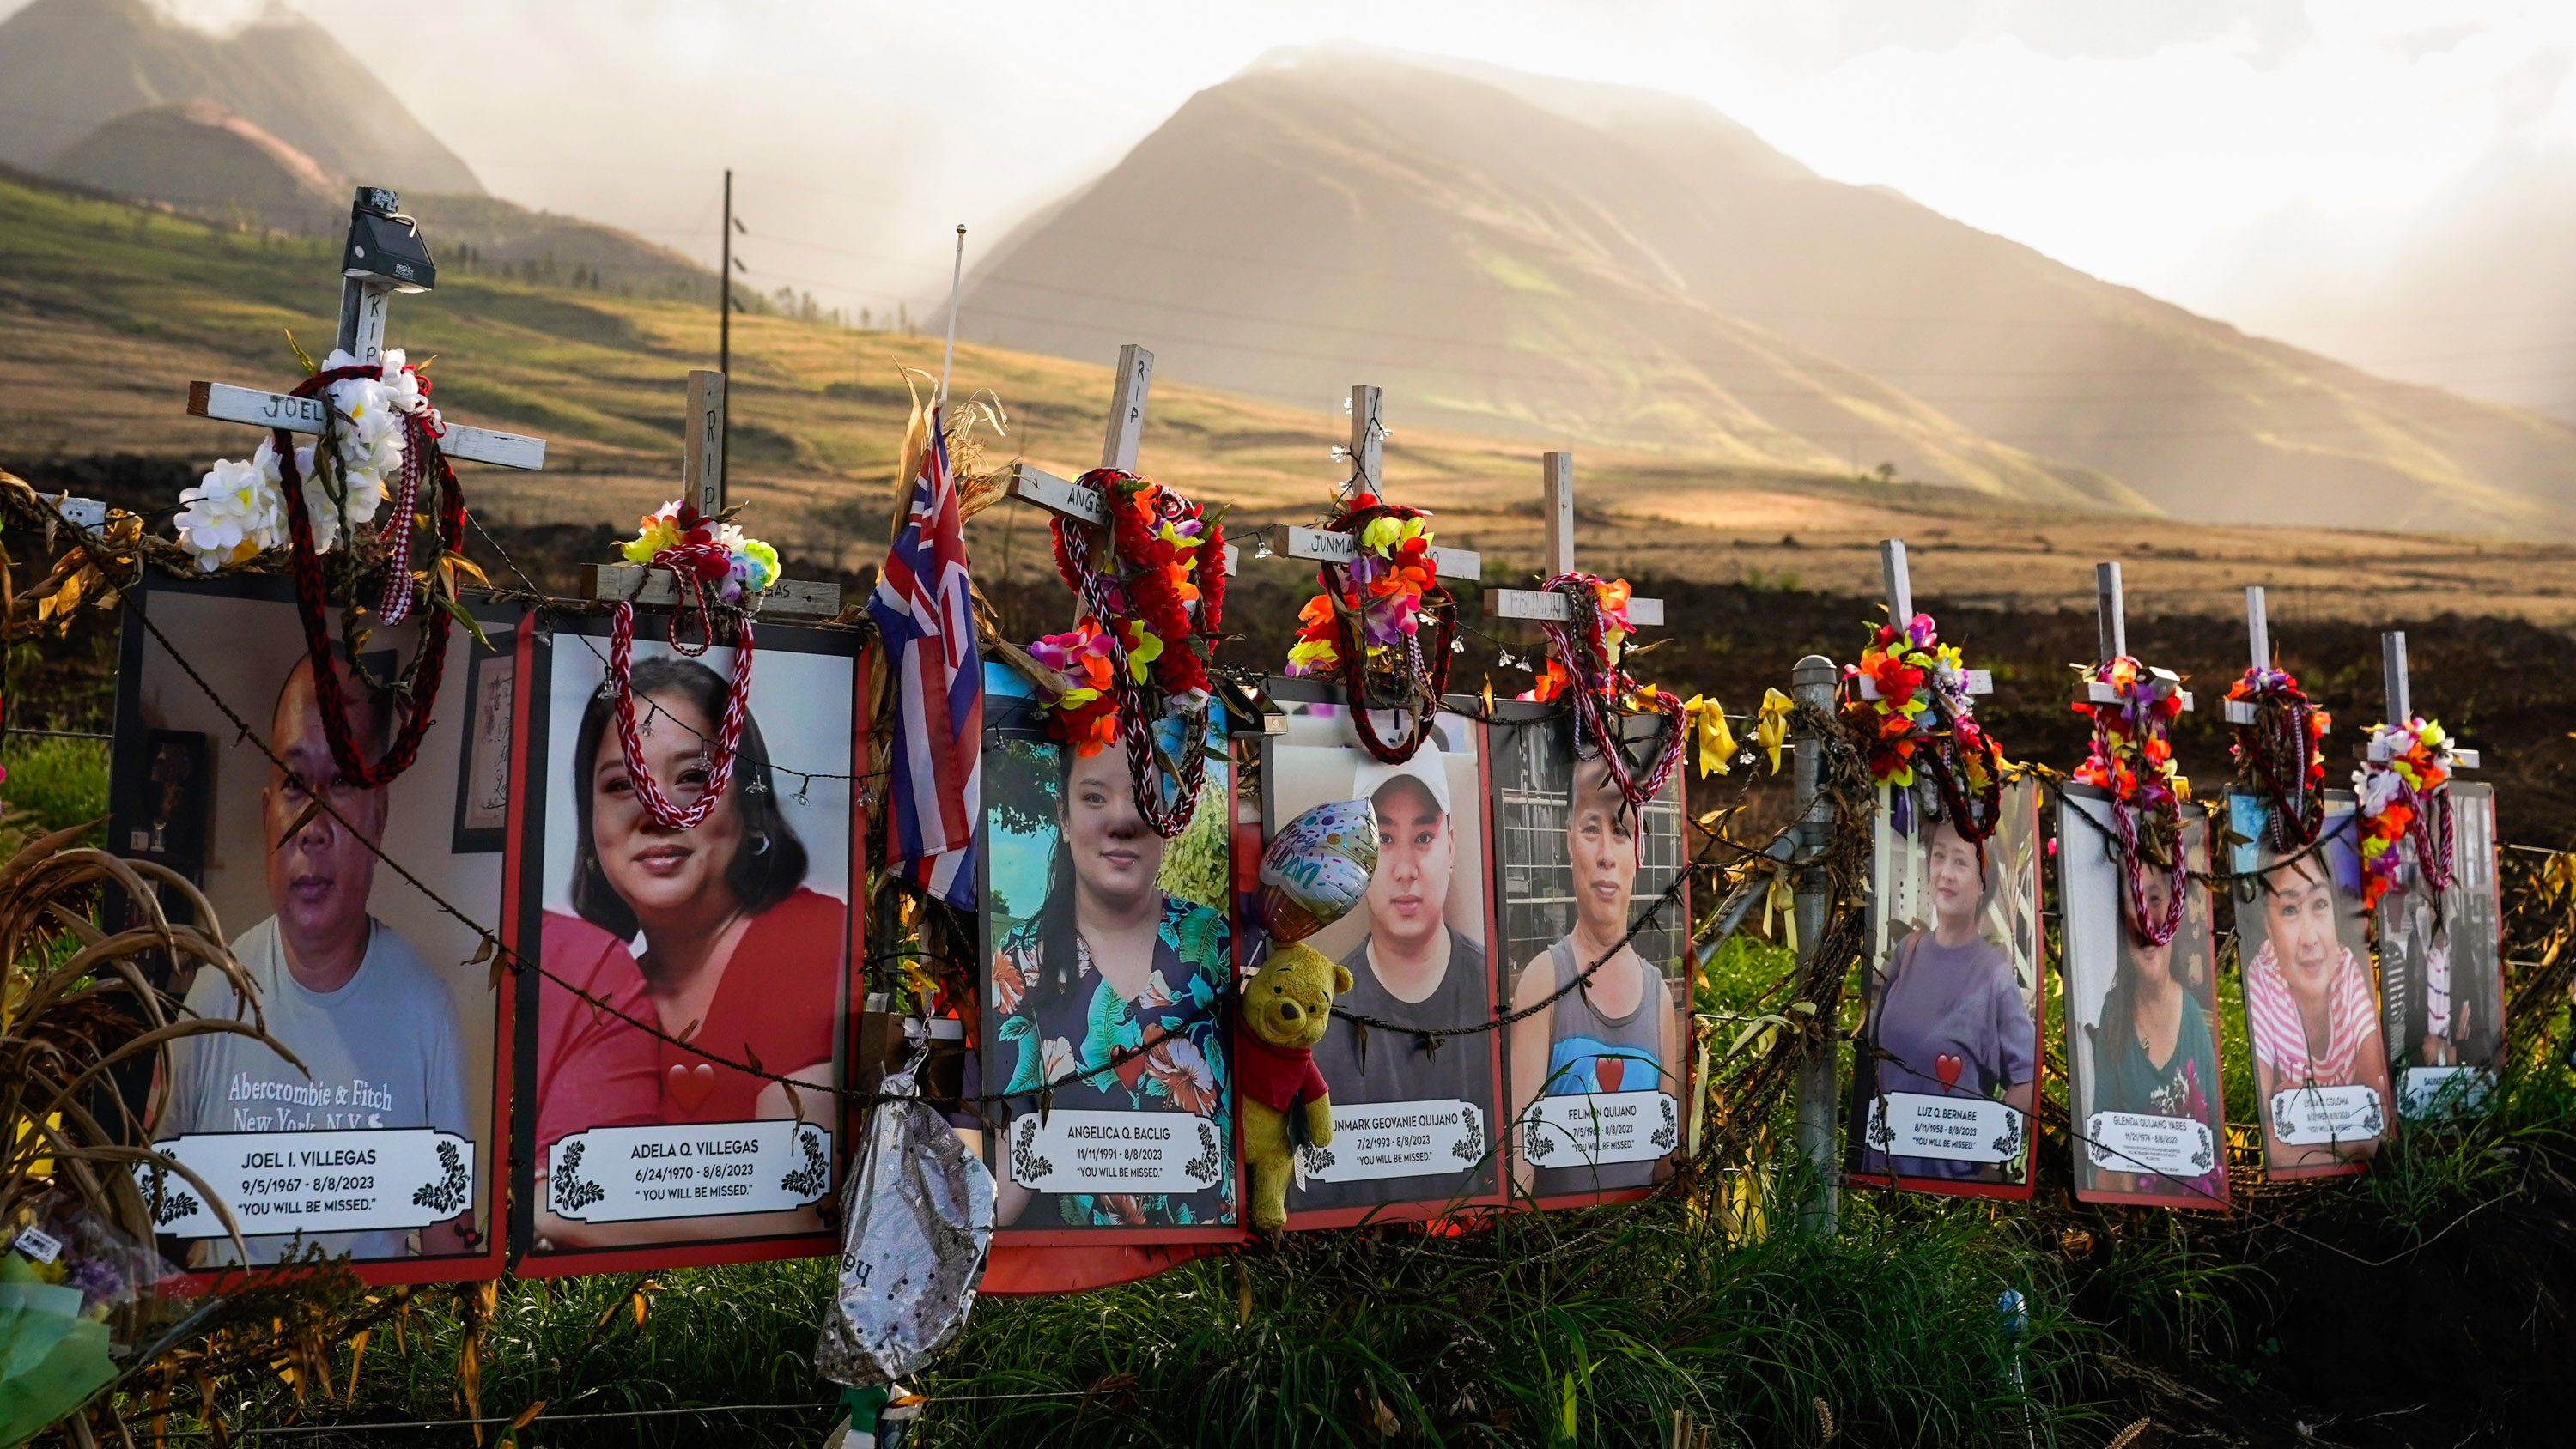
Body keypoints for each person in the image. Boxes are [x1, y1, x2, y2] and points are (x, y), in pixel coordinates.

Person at [159, 655, 472, 1263]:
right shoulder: (212, 996)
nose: (312, 826)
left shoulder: (424, 1009)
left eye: (345, 783)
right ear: (267, 809)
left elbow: (450, 1245)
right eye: (295, 784)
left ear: (378, 818)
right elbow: (154, 1226)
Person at [535, 654, 846, 1246]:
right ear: (590, 822)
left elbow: (802, 1204)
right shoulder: (606, 985)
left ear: (749, 805)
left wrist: (557, 1212)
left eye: (692, 779)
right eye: (622, 784)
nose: (658, 811)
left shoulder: (805, 935)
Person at [989, 738, 1230, 1228]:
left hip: (1209, 1275)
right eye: (1095, 797)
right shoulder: (1018, 959)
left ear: (1169, 817)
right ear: (1064, 815)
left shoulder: (1217, 943)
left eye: (1142, 798)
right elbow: (1010, 1148)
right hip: (1072, 1284)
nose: (1121, 821)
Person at [1303, 746, 1494, 1211]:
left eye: (1424, 836)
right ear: (1354, 851)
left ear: (1452, 844)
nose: (1406, 870)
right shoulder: (1318, 1021)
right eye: (1383, 839)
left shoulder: (1499, 995)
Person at [1508, 756, 1680, 1197]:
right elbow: (1520, 1159)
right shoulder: (1544, 979)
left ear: (1638, 850)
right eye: (1590, 829)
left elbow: (1666, 1162)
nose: (1605, 855)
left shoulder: (1658, 995)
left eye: (1620, 831)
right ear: (1569, 844)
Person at [1854, 812, 2037, 1184]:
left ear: (1982, 882)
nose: (1946, 873)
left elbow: (2028, 1080)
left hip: (1950, 1193)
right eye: (1939, 856)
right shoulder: (1907, 951)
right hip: (1882, 1179)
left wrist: (1989, 1156)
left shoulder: (1993, 975)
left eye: (1960, 862)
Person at [2244, 849, 2391, 1168]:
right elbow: (2266, 1124)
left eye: (2320, 904)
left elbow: (2377, 1101)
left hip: (2314, 1145)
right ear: (2268, 926)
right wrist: (2350, 1147)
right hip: (2335, 1147)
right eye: (2290, 910)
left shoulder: (2347, 968)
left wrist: (2306, 1117)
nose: (2310, 938)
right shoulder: (2263, 978)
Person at [2085, 864, 2221, 1198]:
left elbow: (2216, 1144)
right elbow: (2100, 1146)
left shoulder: (2197, 1021)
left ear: (2176, 910)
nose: (2146, 919)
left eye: (2155, 898)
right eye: (2133, 902)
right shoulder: (2113, 1012)